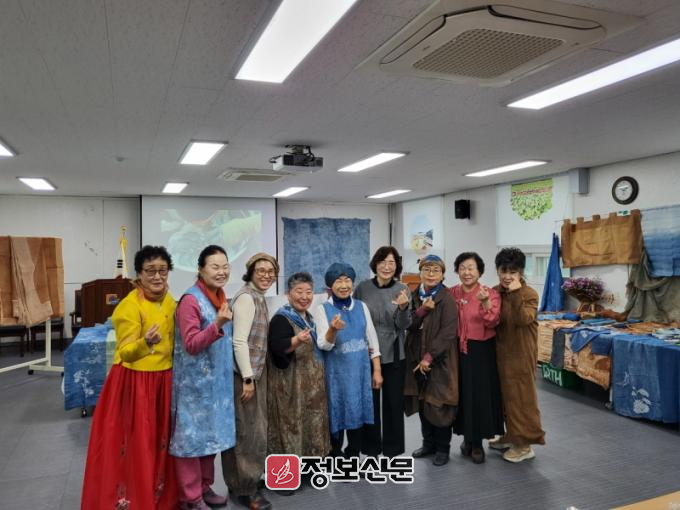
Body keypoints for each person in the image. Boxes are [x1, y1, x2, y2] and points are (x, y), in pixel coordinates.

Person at [81, 245, 178, 509]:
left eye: (163, 270)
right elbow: (124, 352)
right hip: (136, 382)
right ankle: (135, 499)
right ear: (139, 274)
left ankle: (160, 496)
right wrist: (146, 343)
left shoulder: (170, 300)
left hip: (164, 380)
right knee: (136, 444)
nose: (157, 277)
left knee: (159, 441)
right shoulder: (129, 306)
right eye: (150, 271)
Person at [170, 245, 235, 509]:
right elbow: (191, 344)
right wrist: (217, 324)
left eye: (225, 266)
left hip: (215, 385)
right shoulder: (190, 300)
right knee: (190, 442)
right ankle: (191, 497)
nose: (221, 272)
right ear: (200, 269)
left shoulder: (220, 297)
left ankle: (205, 487)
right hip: (193, 387)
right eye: (215, 267)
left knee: (210, 438)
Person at [221, 252, 278, 510]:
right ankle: (245, 489)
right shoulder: (246, 297)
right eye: (261, 270)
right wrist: (247, 378)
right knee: (247, 432)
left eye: (271, 271)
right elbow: (239, 341)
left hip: (253, 374)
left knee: (254, 430)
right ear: (251, 272)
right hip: (245, 376)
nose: (266, 275)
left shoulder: (258, 296)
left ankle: (246, 481)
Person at [267, 272, 330, 491]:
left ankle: (308, 470)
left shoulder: (309, 317)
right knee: (288, 428)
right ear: (288, 293)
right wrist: (296, 340)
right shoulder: (281, 318)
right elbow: (278, 348)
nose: (304, 297)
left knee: (311, 426)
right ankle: (282, 479)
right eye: (299, 291)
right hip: (291, 386)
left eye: (308, 292)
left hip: (311, 387)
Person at [316, 262, 383, 458]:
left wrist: (377, 371)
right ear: (330, 285)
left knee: (358, 413)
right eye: (338, 281)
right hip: (336, 375)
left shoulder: (361, 307)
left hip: (360, 373)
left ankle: (353, 453)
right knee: (336, 413)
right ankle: (335, 454)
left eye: (347, 280)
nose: (344, 285)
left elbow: (372, 339)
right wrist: (333, 329)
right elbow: (323, 345)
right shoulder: (323, 309)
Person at [354, 246, 411, 457]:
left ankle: (393, 450)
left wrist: (403, 308)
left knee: (393, 403)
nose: (387, 267)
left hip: (394, 353)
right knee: (370, 403)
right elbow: (356, 316)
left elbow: (404, 325)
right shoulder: (362, 288)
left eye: (391, 263)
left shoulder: (403, 289)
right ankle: (371, 448)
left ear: (397, 266)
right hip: (367, 352)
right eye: (382, 262)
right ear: (375, 264)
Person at [490, 247, 545, 462]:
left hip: (521, 355)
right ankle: (511, 435)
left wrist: (515, 293)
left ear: (521, 272)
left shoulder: (529, 294)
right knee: (505, 399)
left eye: (512, 272)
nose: (507, 276)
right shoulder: (495, 291)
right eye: (503, 271)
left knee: (521, 399)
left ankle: (524, 446)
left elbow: (524, 319)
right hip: (500, 353)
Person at [404, 254, 459, 466]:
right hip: (415, 357)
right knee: (422, 402)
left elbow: (448, 332)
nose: (431, 274)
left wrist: (429, 357)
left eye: (436, 270)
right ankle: (428, 444)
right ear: (420, 273)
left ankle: (443, 448)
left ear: (443, 275)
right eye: (427, 269)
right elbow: (408, 323)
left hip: (439, 359)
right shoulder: (414, 294)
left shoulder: (446, 298)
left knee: (438, 404)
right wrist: (423, 309)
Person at [451, 252, 503, 464]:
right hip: (456, 349)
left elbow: (493, 322)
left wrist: (485, 303)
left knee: (479, 396)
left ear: (479, 271)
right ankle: (467, 438)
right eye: (462, 268)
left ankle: (477, 443)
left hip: (481, 350)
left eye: (471, 268)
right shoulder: (452, 293)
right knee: (462, 395)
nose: (467, 272)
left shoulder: (489, 293)